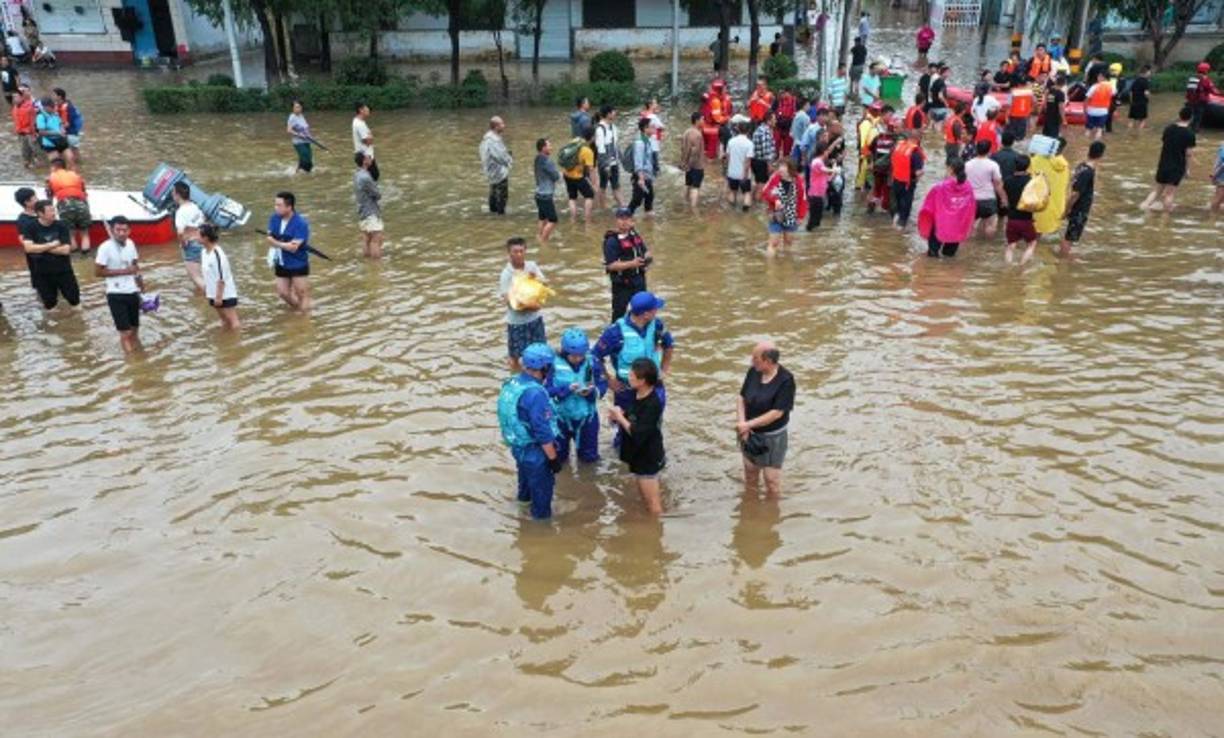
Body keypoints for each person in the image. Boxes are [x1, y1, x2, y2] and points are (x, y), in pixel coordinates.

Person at [497, 342, 562, 520]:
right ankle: (541, 536)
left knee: (524, 491)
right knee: (542, 503)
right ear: (544, 368)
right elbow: (542, 432)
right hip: (536, 453)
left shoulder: (513, 382)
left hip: (518, 447)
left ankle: (521, 517)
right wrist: (553, 459)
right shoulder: (536, 394)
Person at [593, 290, 674, 424]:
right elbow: (595, 356)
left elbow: (669, 345)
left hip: (654, 386)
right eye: (655, 309)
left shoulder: (658, 325)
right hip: (627, 390)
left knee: (653, 426)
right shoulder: (615, 332)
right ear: (646, 314)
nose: (657, 311)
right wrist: (608, 380)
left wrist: (664, 370)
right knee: (625, 428)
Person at [607, 357, 666, 515]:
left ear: (643, 381)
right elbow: (634, 416)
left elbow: (639, 433)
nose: (629, 377)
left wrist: (620, 418)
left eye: (633, 375)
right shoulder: (636, 394)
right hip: (638, 455)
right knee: (644, 498)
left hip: (647, 458)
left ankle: (655, 532)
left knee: (654, 506)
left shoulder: (653, 403)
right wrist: (619, 415)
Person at [736, 341, 795, 499]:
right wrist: (743, 425)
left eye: (755, 358)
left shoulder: (786, 380)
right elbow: (741, 397)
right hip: (749, 433)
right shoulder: (753, 372)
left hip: (772, 438)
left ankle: (771, 515)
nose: (751, 361)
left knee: (771, 481)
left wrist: (748, 424)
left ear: (768, 361)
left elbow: (776, 413)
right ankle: (750, 508)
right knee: (750, 475)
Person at [548, 328, 605, 465]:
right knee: (559, 458)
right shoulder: (552, 365)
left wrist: (592, 392)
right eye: (573, 356)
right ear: (565, 352)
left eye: (581, 355)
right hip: (560, 419)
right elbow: (546, 390)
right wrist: (566, 390)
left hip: (587, 418)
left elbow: (602, 384)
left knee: (589, 459)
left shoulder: (593, 362)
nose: (578, 359)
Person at [94, 216, 144, 353]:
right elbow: (98, 272)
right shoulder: (105, 248)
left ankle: (138, 352)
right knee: (125, 333)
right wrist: (123, 271)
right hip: (115, 294)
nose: (121, 233)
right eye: (118, 230)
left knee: (135, 328)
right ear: (112, 230)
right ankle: (132, 362)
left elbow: (135, 267)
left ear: (129, 231)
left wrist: (142, 289)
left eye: (124, 230)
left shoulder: (131, 244)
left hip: (132, 291)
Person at [499, 237, 547, 372]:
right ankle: (515, 377)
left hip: (535, 319)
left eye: (521, 251)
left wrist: (535, 278)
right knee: (515, 356)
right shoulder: (506, 274)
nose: (519, 254)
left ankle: (540, 376)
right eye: (515, 252)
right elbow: (509, 301)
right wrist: (531, 306)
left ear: (525, 251)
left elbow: (544, 285)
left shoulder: (531, 267)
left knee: (540, 350)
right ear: (509, 253)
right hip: (517, 323)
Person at [22, 199, 80, 310]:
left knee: (74, 300)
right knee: (49, 304)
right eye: (50, 211)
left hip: (64, 271)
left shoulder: (61, 225)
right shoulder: (30, 227)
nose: (54, 213)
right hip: (42, 273)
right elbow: (28, 248)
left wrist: (40, 247)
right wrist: (52, 244)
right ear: (40, 213)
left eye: (54, 210)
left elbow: (66, 250)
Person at [1140, 107, 1196, 213]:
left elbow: (1165, 143)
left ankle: (1144, 207)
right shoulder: (1190, 134)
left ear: (1179, 116)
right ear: (1191, 118)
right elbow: (1188, 154)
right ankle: (1165, 221)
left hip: (1163, 164)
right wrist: (1187, 170)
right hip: (1177, 167)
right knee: (1170, 194)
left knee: (1156, 191)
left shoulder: (1169, 129)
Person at [265, 191, 312, 313]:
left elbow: (293, 248)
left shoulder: (301, 223)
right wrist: (283, 244)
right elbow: (269, 238)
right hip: (281, 261)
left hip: (297, 262)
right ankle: (299, 309)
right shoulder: (274, 218)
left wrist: (277, 243)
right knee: (283, 293)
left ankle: (304, 318)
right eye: (275, 204)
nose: (276, 208)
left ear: (289, 207)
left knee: (302, 293)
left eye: (279, 205)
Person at [918, 158, 976, 257]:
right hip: (957, 226)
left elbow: (928, 208)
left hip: (940, 225)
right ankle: (948, 271)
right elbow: (971, 208)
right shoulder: (968, 187)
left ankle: (930, 272)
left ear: (951, 169)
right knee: (949, 257)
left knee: (932, 255)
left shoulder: (939, 187)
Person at [603, 207, 652, 322]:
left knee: (643, 311)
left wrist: (648, 257)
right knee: (619, 314)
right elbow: (611, 265)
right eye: (621, 218)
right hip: (622, 284)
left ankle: (642, 333)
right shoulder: (612, 241)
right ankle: (616, 337)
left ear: (632, 221)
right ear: (616, 221)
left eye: (627, 218)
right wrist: (632, 264)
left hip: (639, 280)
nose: (624, 221)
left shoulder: (634, 235)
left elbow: (645, 251)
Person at [1061, 141, 1105, 257]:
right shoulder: (1088, 172)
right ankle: (1064, 259)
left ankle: (1065, 254)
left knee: (1071, 234)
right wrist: (1067, 210)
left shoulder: (1081, 166)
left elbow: (1072, 186)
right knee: (1070, 236)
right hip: (1079, 208)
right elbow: (1075, 194)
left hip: (1077, 206)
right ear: (1101, 155)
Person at [199, 223, 240, 329]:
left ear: (206, 238)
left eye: (198, 235)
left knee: (232, 320)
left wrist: (219, 297)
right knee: (223, 319)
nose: (196, 237)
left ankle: (237, 340)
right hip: (212, 292)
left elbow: (221, 277)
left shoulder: (217, 254)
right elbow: (207, 272)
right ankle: (226, 339)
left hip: (224, 293)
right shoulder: (204, 252)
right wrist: (207, 289)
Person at [761, 159, 807, 254]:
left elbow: (803, 199)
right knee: (774, 243)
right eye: (780, 166)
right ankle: (771, 267)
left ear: (791, 169)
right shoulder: (775, 178)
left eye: (783, 166)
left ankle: (786, 265)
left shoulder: (799, 180)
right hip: (776, 214)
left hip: (791, 215)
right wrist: (775, 199)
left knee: (789, 242)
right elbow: (765, 192)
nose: (780, 169)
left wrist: (801, 216)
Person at [46, 158, 91, 254]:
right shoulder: (75, 175)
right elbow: (84, 193)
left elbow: (49, 197)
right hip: (82, 204)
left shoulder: (51, 178)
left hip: (65, 205)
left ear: (54, 167)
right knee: (85, 233)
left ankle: (74, 255)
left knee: (70, 234)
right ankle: (85, 255)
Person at [172, 181, 207, 294]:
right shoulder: (195, 206)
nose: (172, 195)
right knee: (202, 275)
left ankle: (212, 297)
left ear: (177, 195)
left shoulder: (181, 211)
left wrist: (183, 244)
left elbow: (180, 232)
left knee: (195, 277)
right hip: (202, 242)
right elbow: (203, 221)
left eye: (173, 192)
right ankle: (201, 296)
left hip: (191, 244)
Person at [966, 139, 1007, 237]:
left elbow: (964, 183)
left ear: (976, 149)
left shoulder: (967, 164)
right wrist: (1003, 198)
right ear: (989, 151)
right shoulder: (993, 165)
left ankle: (970, 247)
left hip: (972, 200)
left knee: (970, 227)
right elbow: (998, 184)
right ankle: (987, 248)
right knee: (990, 225)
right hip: (988, 199)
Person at [1002, 154, 1039, 265]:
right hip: (1026, 219)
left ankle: (1008, 266)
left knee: (1011, 245)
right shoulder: (1031, 181)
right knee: (1032, 243)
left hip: (1011, 218)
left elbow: (1005, 198)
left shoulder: (1007, 180)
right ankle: (1021, 266)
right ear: (1028, 166)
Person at [890, 129, 925, 229]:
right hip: (908, 184)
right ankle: (901, 228)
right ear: (918, 139)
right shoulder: (915, 152)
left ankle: (894, 220)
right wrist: (922, 173)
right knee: (905, 208)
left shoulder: (898, 146)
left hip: (896, 180)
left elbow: (892, 162)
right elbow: (918, 172)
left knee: (897, 204)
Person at [561, 127, 596, 222]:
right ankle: (587, 219)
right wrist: (594, 184)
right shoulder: (588, 151)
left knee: (572, 197)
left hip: (566, 174)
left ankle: (573, 219)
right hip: (578, 177)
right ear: (592, 137)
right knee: (589, 195)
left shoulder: (574, 141)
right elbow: (591, 169)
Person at [479, 116, 512, 215]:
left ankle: (493, 216)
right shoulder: (493, 140)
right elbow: (499, 156)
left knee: (493, 194)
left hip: (491, 172)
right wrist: (509, 160)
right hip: (498, 172)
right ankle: (501, 218)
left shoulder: (487, 138)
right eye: (502, 124)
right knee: (502, 196)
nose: (504, 126)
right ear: (496, 126)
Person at [353, 152, 383, 259]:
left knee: (366, 238)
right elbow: (377, 195)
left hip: (362, 212)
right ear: (364, 161)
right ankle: (376, 268)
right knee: (376, 239)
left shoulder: (357, 175)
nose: (371, 158)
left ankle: (368, 265)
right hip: (371, 212)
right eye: (368, 157)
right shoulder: (366, 177)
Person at [533, 138, 560, 244]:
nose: (551, 147)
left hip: (538, 194)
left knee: (542, 218)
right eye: (549, 145)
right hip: (546, 195)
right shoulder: (547, 161)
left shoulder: (537, 159)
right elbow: (556, 176)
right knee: (553, 220)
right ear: (543, 148)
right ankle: (543, 241)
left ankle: (539, 236)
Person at [594, 105, 622, 209]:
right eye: (613, 111)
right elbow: (601, 149)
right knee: (603, 186)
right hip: (605, 163)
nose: (615, 113)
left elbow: (615, 146)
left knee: (615, 186)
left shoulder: (613, 127)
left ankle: (621, 207)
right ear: (608, 114)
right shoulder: (600, 129)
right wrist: (606, 166)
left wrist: (622, 160)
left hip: (614, 162)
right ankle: (603, 207)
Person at [629, 117, 656, 215]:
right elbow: (638, 162)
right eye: (652, 127)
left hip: (647, 176)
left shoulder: (647, 141)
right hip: (641, 177)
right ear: (645, 128)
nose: (654, 128)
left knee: (650, 198)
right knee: (637, 200)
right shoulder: (640, 143)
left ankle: (649, 225)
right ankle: (625, 217)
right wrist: (641, 179)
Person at [725, 122, 754, 210]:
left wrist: (728, 170)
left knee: (733, 192)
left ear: (738, 129)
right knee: (747, 193)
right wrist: (745, 175)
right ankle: (745, 214)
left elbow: (728, 158)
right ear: (748, 131)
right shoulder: (749, 144)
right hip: (743, 174)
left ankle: (731, 211)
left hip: (732, 172)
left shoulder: (731, 141)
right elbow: (747, 162)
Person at [680, 111, 706, 211]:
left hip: (687, 164)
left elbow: (683, 148)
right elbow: (694, 152)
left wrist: (684, 163)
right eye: (702, 119)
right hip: (696, 165)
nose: (703, 121)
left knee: (687, 185)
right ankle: (693, 209)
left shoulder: (686, 132)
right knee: (695, 187)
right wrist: (692, 164)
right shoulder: (698, 135)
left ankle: (684, 204)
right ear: (697, 121)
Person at [52, 88, 83, 169]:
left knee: (73, 152)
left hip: (71, 133)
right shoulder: (57, 106)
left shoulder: (69, 107)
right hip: (63, 132)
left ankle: (76, 169)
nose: (52, 96)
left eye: (54, 94)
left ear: (59, 96)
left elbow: (70, 122)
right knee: (67, 153)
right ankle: (77, 168)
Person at [751, 110, 778, 200]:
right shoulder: (765, 132)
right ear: (768, 121)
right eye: (774, 119)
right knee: (762, 185)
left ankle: (752, 201)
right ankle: (756, 209)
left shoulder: (760, 129)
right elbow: (765, 151)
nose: (776, 121)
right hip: (761, 162)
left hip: (756, 161)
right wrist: (769, 165)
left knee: (759, 183)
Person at [1186, 62, 1218, 133]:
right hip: (1200, 101)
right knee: (1198, 117)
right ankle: (1195, 130)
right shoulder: (1205, 79)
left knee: (1193, 115)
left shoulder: (1192, 78)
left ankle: (1190, 127)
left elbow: (1189, 90)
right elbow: (1213, 91)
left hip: (1191, 101)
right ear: (1206, 71)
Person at [806, 147, 833, 230]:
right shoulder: (817, 162)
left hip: (819, 193)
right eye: (827, 151)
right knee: (813, 217)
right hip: (815, 193)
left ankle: (815, 237)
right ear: (823, 151)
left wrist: (833, 172)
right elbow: (824, 170)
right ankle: (810, 232)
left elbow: (827, 178)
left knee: (818, 216)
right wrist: (834, 170)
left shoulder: (820, 162)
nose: (828, 153)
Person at [351, 102, 378, 181]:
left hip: (362, 155)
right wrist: (371, 136)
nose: (368, 110)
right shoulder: (360, 125)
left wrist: (369, 135)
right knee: (373, 177)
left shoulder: (356, 120)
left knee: (369, 178)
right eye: (366, 108)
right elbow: (367, 141)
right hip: (365, 156)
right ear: (361, 110)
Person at [12, 84, 37, 168]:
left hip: (29, 133)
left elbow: (32, 122)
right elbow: (16, 121)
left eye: (16, 97)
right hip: (20, 133)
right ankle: (27, 164)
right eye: (13, 97)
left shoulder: (30, 106)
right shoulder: (15, 107)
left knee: (35, 150)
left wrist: (33, 134)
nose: (14, 99)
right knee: (24, 152)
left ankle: (37, 164)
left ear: (22, 97)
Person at [287, 99, 314, 174]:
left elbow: (305, 128)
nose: (297, 109)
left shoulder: (301, 116)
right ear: (292, 108)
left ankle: (299, 172)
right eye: (295, 107)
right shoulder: (292, 117)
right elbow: (289, 130)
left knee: (309, 160)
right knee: (306, 160)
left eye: (299, 107)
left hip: (306, 141)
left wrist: (310, 136)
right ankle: (298, 173)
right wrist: (299, 134)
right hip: (299, 142)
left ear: (301, 108)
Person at [1084, 71, 1112, 141]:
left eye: (1099, 76)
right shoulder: (1111, 86)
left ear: (1103, 77)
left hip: (1091, 111)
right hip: (1103, 111)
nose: (1097, 77)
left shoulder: (1094, 86)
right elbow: (1113, 94)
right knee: (1099, 130)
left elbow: (1087, 99)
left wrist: (1085, 110)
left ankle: (1084, 143)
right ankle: (1096, 143)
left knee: (1088, 130)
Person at [640, 97, 665, 175]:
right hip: (653, 143)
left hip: (645, 141)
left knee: (647, 162)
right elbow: (662, 127)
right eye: (655, 103)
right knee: (655, 166)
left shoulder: (644, 115)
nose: (657, 105)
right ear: (650, 105)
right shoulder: (653, 117)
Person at [1128, 65, 1152, 130]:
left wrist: (1131, 100)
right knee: (1143, 119)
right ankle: (1140, 132)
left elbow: (1131, 92)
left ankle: (1129, 131)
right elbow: (1146, 93)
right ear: (1146, 73)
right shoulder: (1145, 81)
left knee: (1132, 119)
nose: (1150, 73)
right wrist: (1149, 98)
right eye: (1149, 72)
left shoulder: (1135, 81)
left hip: (1134, 101)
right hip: (1142, 102)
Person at [1210, 140, 1224, 212]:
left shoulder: (1222, 146)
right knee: (1219, 199)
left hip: (1221, 176)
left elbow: (1220, 163)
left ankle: (1213, 217)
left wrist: (1214, 174)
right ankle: (1213, 217)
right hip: (1221, 176)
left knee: (1218, 198)